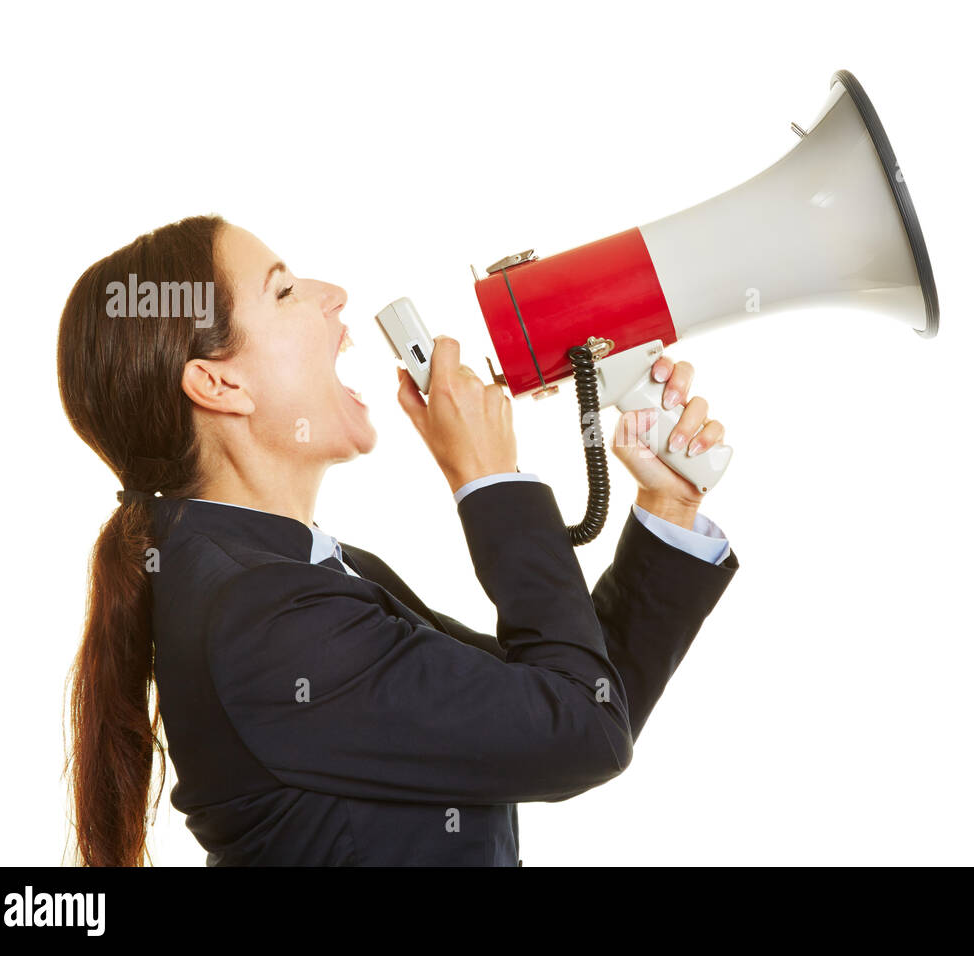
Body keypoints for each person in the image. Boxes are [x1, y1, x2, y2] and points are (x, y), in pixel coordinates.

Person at [58, 213, 739, 866]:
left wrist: (667, 505)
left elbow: (574, 697)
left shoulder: (301, 575)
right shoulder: (262, 616)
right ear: (217, 382)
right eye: (286, 290)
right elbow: (582, 729)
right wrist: (489, 479)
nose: (334, 297)